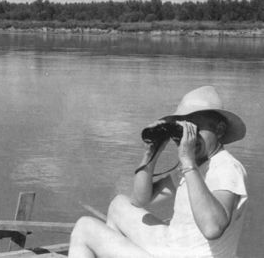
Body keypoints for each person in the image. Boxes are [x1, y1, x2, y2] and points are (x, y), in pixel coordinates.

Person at [68, 86, 248, 258]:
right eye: (185, 130)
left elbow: (212, 228)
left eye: (196, 129)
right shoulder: (197, 165)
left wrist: (187, 162)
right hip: (175, 249)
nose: (190, 138)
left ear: (220, 129)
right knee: (118, 205)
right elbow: (139, 200)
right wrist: (151, 152)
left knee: (84, 228)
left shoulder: (227, 168)